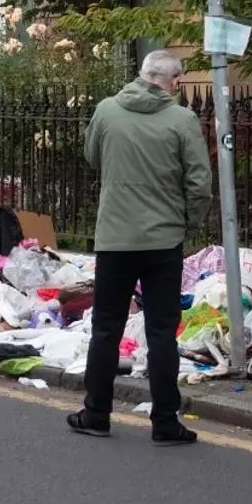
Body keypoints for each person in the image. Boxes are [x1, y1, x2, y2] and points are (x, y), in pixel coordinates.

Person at [67, 50, 210, 445]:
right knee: (162, 332)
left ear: (142, 74)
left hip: (114, 238)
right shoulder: (182, 120)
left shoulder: (107, 111)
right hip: (163, 240)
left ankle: (96, 414)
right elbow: (199, 183)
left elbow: (93, 157)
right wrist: (186, 223)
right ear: (175, 82)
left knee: (106, 328)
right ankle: (165, 423)